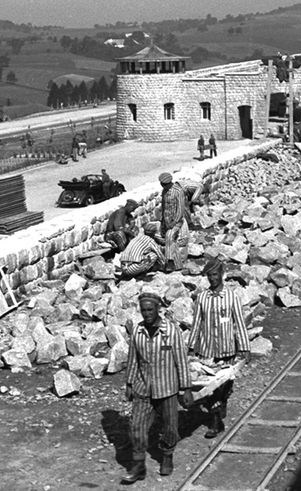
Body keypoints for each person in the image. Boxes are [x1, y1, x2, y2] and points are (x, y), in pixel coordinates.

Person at [123, 293, 193, 482]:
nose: (146, 314)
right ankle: (138, 466)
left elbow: (181, 361)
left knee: (170, 427)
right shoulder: (138, 331)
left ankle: (167, 456)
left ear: (158, 309)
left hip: (167, 389)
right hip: (143, 387)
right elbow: (133, 360)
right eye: (143, 310)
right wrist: (129, 383)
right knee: (136, 427)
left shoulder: (171, 331)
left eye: (150, 310)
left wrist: (186, 388)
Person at [189, 259, 250, 439]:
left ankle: (221, 402)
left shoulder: (231, 297)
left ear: (221, 275)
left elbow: (239, 322)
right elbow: (196, 324)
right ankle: (215, 422)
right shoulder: (202, 298)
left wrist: (245, 347)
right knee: (212, 385)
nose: (212, 279)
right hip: (208, 350)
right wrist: (191, 347)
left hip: (227, 349)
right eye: (209, 275)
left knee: (224, 384)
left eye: (215, 275)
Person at [159, 173, 189, 272]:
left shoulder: (178, 191)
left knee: (169, 236)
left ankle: (170, 261)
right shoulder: (164, 191)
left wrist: (175, 222)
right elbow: (164, 207)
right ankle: (178, 265)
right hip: (166, 221)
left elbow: (180, 209)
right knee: (172, 242)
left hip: (175, 221)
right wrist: (163, 222)